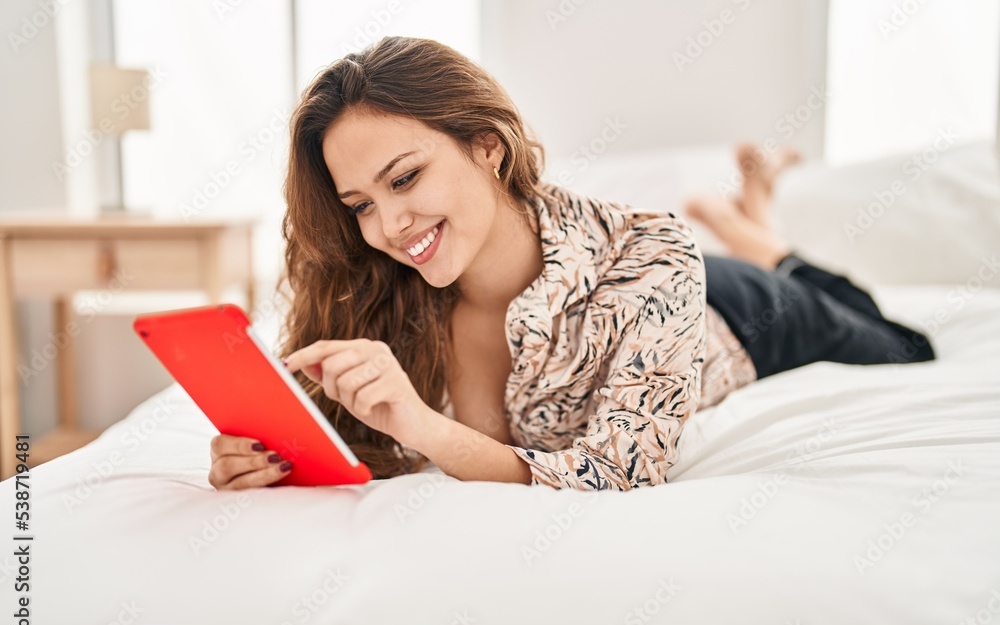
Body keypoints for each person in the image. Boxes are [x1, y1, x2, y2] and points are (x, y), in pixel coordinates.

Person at [207, 36, 934, 493]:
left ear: (487, 147)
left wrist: (427, 427)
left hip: (739, 311)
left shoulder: (652, 255)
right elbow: (345, 437)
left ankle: (758, 229)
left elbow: (621, 467)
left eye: (404, 179)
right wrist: (264, 454)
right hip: (691, 283)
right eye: (361, 204)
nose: (389, 226)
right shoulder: (386, 291)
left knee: (901, 340)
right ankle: (751, 215)